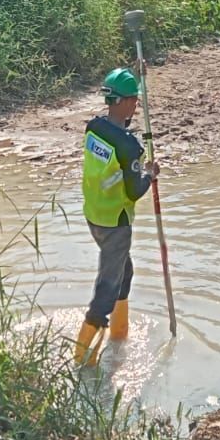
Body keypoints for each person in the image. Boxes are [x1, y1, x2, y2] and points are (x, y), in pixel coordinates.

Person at [74, 68, 160, 365]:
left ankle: (119, 335)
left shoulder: (94, 127)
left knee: (125, 272)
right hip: (116, 221)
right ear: (125, 101)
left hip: (94, 214)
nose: (137, 105)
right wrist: (149, 174)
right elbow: (135, 191)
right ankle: (83, 358)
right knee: (108, 287)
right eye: (134, 100)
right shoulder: (129, 146)